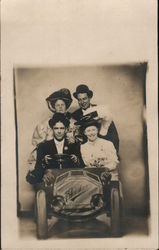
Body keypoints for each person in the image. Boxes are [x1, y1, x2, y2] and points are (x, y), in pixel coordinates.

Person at [26, 113, 84, 185]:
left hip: (70, 183)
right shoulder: (43, 146)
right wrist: (43, 163)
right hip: (51, 183)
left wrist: (77, 160)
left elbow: (82, 167)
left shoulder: (74, 145)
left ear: (66, 129)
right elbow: (37, 170)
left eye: (62, 128)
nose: (59, 131)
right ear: (52, 129)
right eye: (56, 128)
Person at [28, 88, 75, 170]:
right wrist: (43, 158)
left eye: (62, 105)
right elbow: (37, 146)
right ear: (54, 107)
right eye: (57, 105)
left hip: (68, 162)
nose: (60, 107)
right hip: (50, 161)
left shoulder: (73, 123)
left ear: (66, 106)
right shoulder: (44, 124)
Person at [71, 84, 119, 152]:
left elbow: (113, 135)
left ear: (89, 98)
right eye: (79, 100)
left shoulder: (100, 111)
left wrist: (113, 153)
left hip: (102, 150)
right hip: (85, 152)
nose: (82, 102)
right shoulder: (74, 115)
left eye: (84, 99)